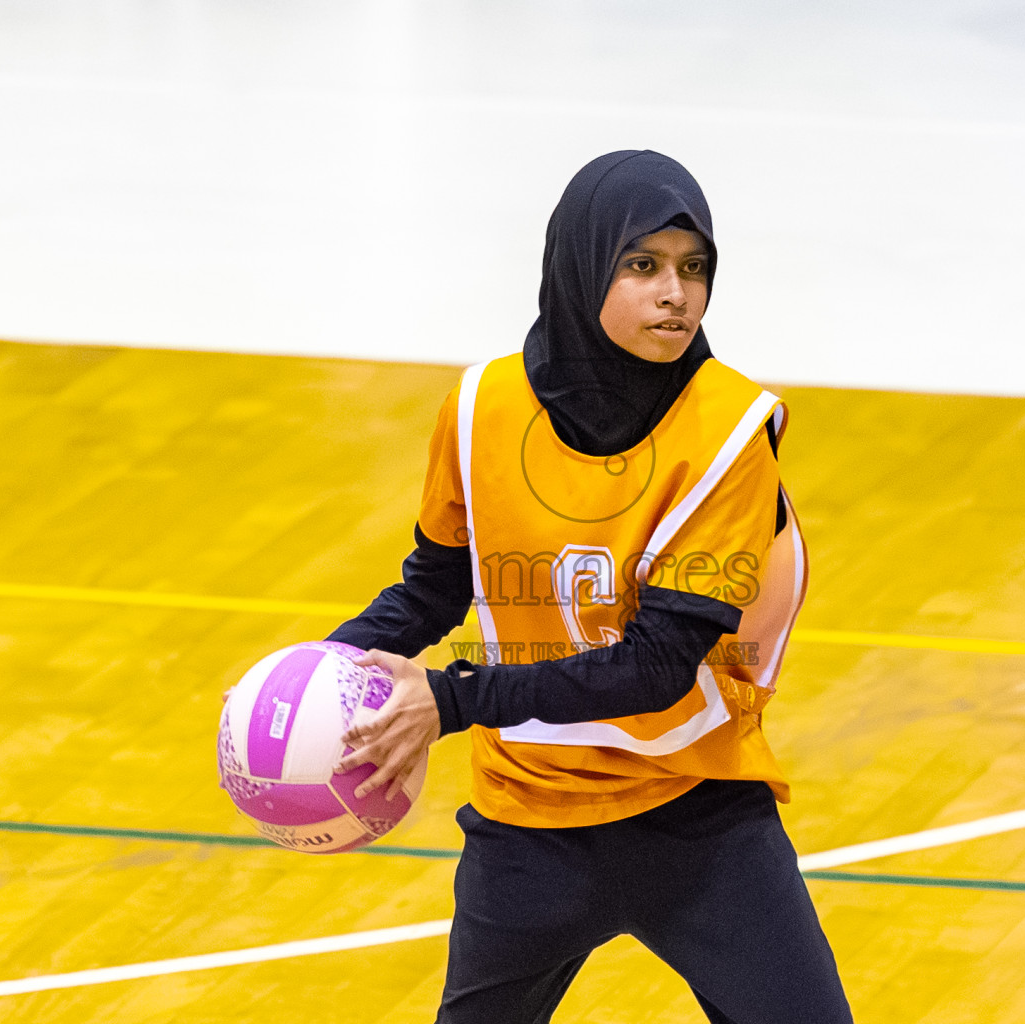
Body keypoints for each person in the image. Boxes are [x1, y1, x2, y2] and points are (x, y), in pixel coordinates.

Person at [326, 150, 852, 1024]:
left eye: (694, 268)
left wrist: (451, 702)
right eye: (641, 265)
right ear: (581, 267)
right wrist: (317, 668)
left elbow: (656, 667)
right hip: (528, 823)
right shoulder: (481, 407)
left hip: (698, 816)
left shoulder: (729, 432)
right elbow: (432, 589)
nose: (675, 293)